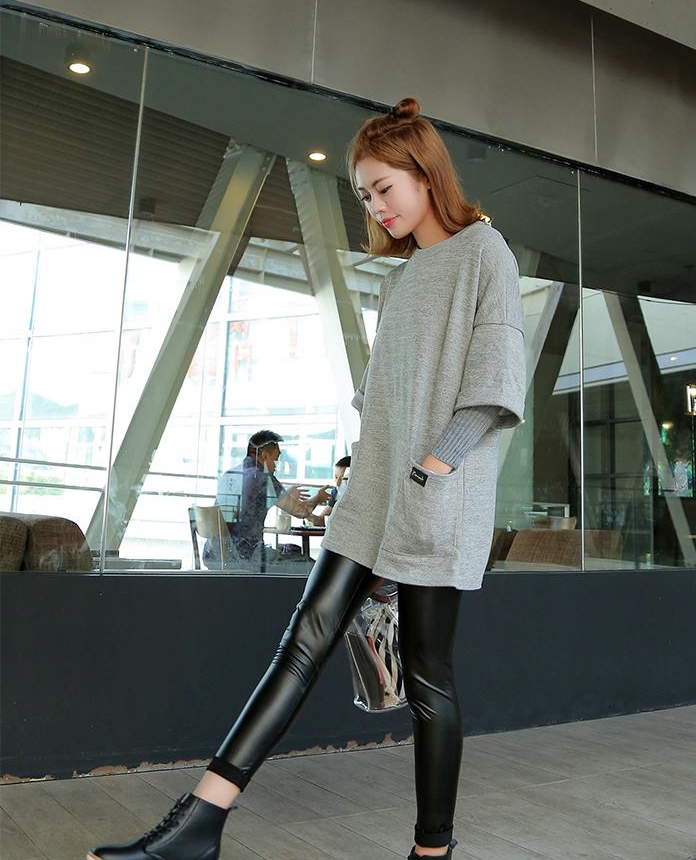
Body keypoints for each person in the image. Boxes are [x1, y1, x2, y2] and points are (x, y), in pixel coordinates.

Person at [87, 97, 526, 860]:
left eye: (383, 187)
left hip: (435, 502)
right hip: (370, 497)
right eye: (363, 194)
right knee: (300, 645)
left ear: (426, 174)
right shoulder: (404, 278)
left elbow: (492, 387)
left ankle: (433, 852)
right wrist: (369, 476)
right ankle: (200, 822)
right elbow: (379, 399)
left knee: (429, 684)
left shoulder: (485, 253)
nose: (375, 206)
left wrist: (432, 470)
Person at [205, 430, 324, 569]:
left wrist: (284, 495)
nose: (276, 466)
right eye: (276, 459)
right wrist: (319, 497)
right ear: (265, 456)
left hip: (214, 554)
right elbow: (301, 511)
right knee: (312, 567)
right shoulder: (263, 478)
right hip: (245, 558)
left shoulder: (230, 474)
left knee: (290, 553)